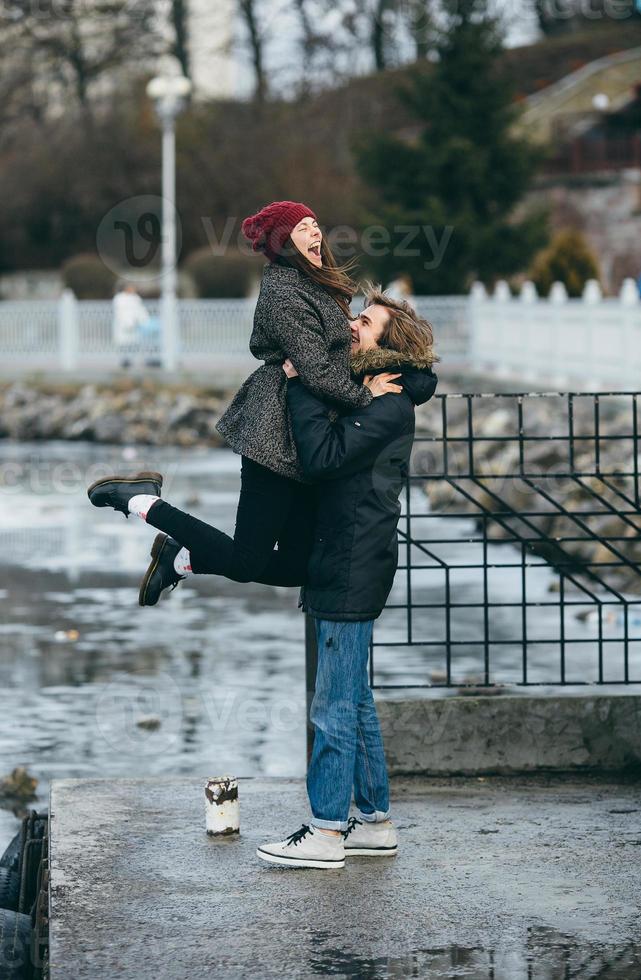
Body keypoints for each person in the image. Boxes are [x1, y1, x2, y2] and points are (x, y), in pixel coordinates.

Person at [88, 202, 402, 602]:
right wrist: (366, 397)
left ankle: (179, 560)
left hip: (305, 439)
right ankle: (138, 499)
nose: (316, 233)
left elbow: (335, 357)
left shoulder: (311, 285)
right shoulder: (283, 294)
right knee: (245, 560)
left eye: (316, 224)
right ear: (285, 241)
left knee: (298, 565)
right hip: (274, 435)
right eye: (304, 227)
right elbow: (317, 369)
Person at [255, 287, 438, 869]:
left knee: (332, 705)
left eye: (365, 321)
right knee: (355, 701)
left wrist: (300, 383)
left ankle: (329, 829)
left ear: (389, 345)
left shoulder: (388, 405)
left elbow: (324, 458)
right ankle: (374, 822)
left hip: (352, 565)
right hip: (351, 560)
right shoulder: (375, 394)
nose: (353, 325)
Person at [111, 283, 150, 369]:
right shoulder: (119, 298)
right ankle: (124, 360)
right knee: (123, 344)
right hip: (123, 326)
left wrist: (144, 320)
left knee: (133, 344)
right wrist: (126, 322)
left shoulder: (135, 298)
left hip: (134, 326)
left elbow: (141, 310)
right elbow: (119, 311)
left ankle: (131, 360)